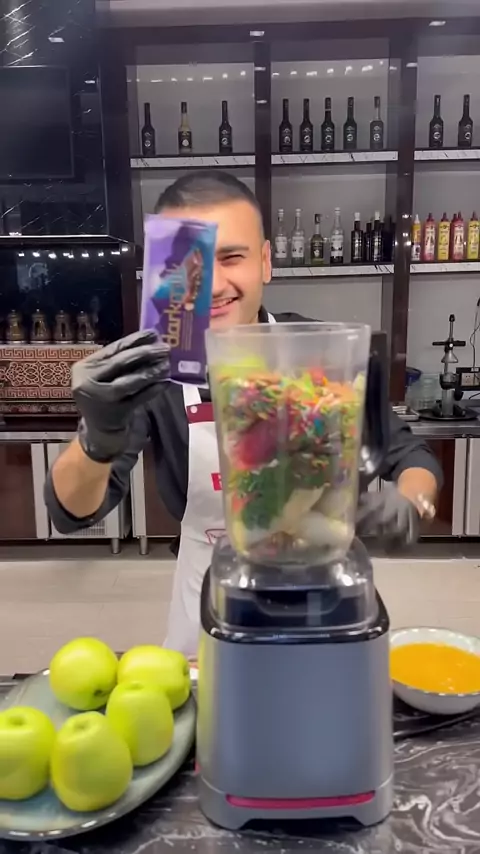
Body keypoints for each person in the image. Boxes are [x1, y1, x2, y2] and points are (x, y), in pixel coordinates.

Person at [44, 171, 442, 657]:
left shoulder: (319, 352)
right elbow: (72, 512)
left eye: (232, 257)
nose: (213, 285)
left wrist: (412, 503)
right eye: (193, 264)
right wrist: (96, 438)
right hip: (208, 597)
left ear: (266, 262)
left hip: (323, 592)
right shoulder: (156, 372)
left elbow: (412, 455)